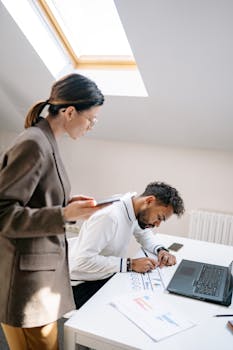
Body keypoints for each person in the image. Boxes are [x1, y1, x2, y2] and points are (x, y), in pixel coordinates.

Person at [0, 73, 105, 350]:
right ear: (70, 112)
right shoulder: (34, 143)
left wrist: (65, 203)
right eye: (91, 119)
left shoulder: (47, 140)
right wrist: (64, 215)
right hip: (26, 283)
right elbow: (4, 213)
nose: (92, 126)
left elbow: (33, 198)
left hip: (40, 275)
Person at [69, 181, 185, 309]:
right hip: (81, 285)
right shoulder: (109, 217)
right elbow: (83, 261)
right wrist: (131, 264)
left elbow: (143, 233)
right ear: (149, 201)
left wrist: (161, 250)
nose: (157, 224)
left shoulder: (132, 206)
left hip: (105, 274)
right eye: (159, 217)